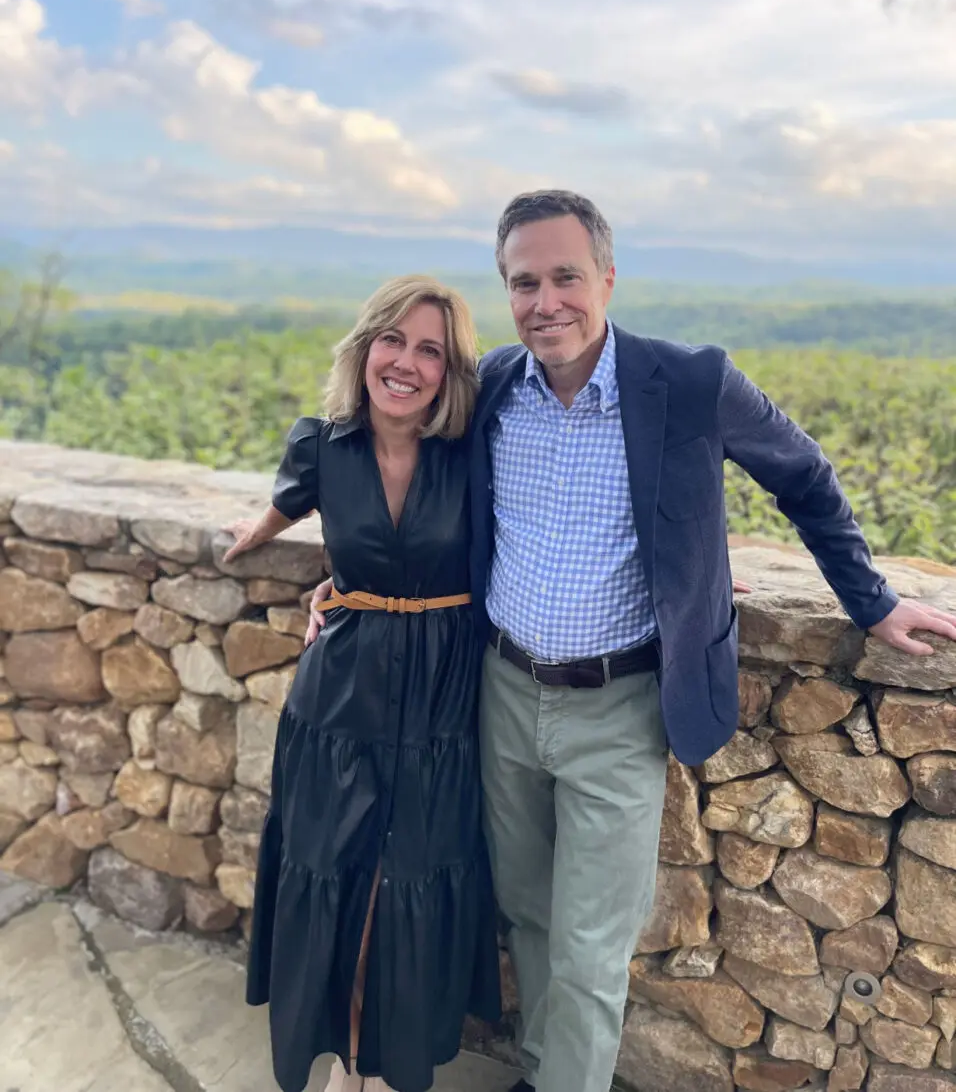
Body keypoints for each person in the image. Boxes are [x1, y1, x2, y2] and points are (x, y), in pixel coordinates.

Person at [461, 190, 956, 1092]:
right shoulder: (495, 384)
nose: (546, 302)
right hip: (502, 691)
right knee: (527, 912)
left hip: (620, 705)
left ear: (606, 278)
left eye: (566, 277)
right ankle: (541, 1070)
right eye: (523, 282)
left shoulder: (690, 382)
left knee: (588, 941)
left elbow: (804, 475)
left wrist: (873, 601)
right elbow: (399, 459)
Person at [223, 275, 501, 1092]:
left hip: (443, 694)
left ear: (451, 373)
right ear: (365, 346)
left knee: (412, 867)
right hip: (337, 691)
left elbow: (565, 513)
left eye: (431, 351)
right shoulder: (323, 443)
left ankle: (382, 1063)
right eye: (394, 340)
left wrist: (691, 565)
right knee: (329, 861)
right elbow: (287, 504)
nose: (407, 363)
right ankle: (343, 1060)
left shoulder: (472, 446)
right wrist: (263, 535)